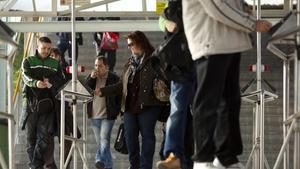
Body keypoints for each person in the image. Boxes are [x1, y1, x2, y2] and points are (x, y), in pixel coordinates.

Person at [182, 0, 272, 169]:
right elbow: (217, 7)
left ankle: (226, 157)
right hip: (211, 41)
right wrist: (252, 23)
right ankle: (202, 159)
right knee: (208, 103)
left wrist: (241, 6)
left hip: (227, 42)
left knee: (230, 102)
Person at [97, 31, 166, 169]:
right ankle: (134, 166)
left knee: (148, 137)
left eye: (131, 44)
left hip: (149, 106)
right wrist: (102, 91)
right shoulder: (129, 63)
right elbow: (120, 85)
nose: (129, 47)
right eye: (128, 45)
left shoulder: (154, 60)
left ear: (141, 43)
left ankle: (145, 166)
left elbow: (165, 78)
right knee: (130, 140)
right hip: (129, 107)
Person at [155, 1, 195, 169]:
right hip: (181, 65)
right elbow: (162, 18)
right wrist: (166, 23)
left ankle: (210, 156)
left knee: (205, 110)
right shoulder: (173, 3)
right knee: (177, 109)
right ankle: (174, 155)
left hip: (204, 59)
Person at [20, 36, 65, 169]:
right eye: (43, 48)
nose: (46, 50)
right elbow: (25, 77)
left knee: (44, 138)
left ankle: (34, 166)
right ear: (37, 47)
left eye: (48, 48)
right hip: (30, 105)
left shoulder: (55, 64)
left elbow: (61, 82)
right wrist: (36, 82)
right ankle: (36, 166)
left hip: (48, 106)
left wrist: (50, 82)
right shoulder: (28, 61)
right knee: (30, 139)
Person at [85, 56, 121, 169]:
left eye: (100, 66)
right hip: (94, 115)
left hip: (108, 114)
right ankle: (108, 166)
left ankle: (99, 159)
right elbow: (85, 90)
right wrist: (91, 78)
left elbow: (119, 95)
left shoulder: (114, 78)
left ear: (106, 67)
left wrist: (119, 110)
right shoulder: (92, 77)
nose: (97, 68)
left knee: (104, 138)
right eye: (95, 65)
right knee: (101, 143)